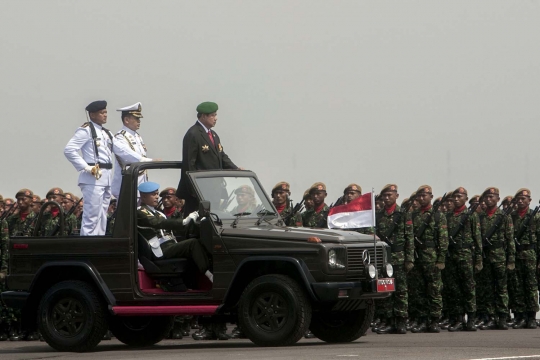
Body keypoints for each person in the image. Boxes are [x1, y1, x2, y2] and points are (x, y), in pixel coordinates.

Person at [137, 182, 211, 281]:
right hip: (160, 250)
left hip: (169, 245)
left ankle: (194, 283)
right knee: (192, 244)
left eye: (157, 194)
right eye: (153, 194)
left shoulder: (159, 213)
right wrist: (184, 221)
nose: (157, 197)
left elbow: (172, 226)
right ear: (144, 196)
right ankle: (210, 275)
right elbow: (157, 223)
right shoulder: (140, 211)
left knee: (198, 241)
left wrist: (195, 220)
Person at [177, 102, 241, 215]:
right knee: (196, 222)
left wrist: (235, 169)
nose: (215, 118)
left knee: (212, 219)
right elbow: (189, 164)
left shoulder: (213, 135)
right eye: (212, 115)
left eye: (215, 115)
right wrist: (194, 188)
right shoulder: (193, 134)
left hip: (213, 188)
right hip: (199, 189)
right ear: (203, 116)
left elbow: (221, 156)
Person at [64, 100, 118, 236]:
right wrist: (87, 167)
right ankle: (87, 245)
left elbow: (119, 151)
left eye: (106, 112)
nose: (105, 115)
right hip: (92, 177)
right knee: (91, 216)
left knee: (102, 215)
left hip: (105, 177)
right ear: (92, 115)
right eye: (102, 113)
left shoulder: (106, 133)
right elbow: (69, 150)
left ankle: (99, 243)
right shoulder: (86, 131)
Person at [374, 184, 414, 335]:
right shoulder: (378, 215)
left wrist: (409, 259)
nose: (387, 198)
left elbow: (409, 238)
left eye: (390, 195)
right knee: (386, 290)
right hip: (384, 258)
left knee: (401, 291)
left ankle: (401, 321)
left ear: (396, 196)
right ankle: (389, 321)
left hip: (399, 257)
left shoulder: (403, 214)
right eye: (384, 195)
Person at [409, 185, 448, 334]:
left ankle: (434, 320)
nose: (422, 198)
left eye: (425, 195)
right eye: (420, 196)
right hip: (418, 257)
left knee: (434, 290)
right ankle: (421, 319)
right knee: (418, 290)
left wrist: (441, 259)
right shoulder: (414, 216)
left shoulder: (438, 216)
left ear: (431, 197)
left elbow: (443, 240)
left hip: (432, 258)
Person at [444, 187, 482, 332]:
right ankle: (458, 319)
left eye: (460, 196)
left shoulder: (471, 215)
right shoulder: (448, 216)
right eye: (455, 197)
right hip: (452, 256)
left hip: (466, 256)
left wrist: (478, 260)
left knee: (468, 288)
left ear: (466, 199)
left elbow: (477, 239)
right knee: (455, 290)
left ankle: (471, 319)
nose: (456, 199)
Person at [478, 187, 514, 330]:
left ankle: (503, 317)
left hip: (500, 256)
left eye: (492, 197)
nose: (489, 199)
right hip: (486, 256)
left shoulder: (504, 217)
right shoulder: (480, 217)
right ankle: (491, 317)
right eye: (487, 197)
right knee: (487, 289)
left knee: (501, 288)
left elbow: (510, 239)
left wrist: (511, 259)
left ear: (498, 199)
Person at [111, 102, 157, 199]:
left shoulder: (137, 136)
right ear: (126, 120)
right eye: (136, 118)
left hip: (140, 184)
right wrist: (150, 161)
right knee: (126, 213)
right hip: (127, 184)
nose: (139, 121)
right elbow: (128, 156)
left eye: (139, 118)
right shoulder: (120, 137)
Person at [509, 188, 538, 329]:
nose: (521, 201)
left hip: (530, 255)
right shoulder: (512, 216)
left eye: (524, 199)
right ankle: (519, 316)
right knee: (517, 286)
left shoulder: (535, 216)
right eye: (518, 199)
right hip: (516, 255)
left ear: (529, 201)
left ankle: (531, 317)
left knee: (531, 287)